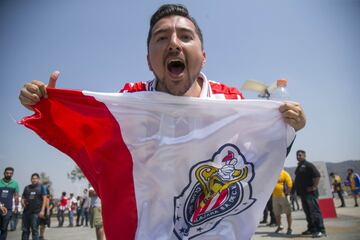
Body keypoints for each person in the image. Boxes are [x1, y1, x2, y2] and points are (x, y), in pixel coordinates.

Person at [18, 4, 307, 238]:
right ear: (148, 60)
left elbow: (259, 157)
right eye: (161, 37)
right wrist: (49, 105)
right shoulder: (130, 101)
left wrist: (288, 124)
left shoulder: (230, 102)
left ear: (203, 56)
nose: (173, 44)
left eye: (185, 36)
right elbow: (89, 136)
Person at [294, 150, 326, 238]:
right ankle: (312, 229)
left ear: (304, 156)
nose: (298, 156)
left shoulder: (308, 165)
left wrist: (314, 187)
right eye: (297, 155)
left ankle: (321, 230)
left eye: (300, 155)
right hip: (303, 194)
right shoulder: (299, 166)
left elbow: (317, 175)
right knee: (308, 212)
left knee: (315, 212)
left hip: (310, 193)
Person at [21, 173, 47, 240]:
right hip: (26, 212)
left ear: (38, 179)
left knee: (35, 230)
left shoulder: (41, 187)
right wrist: (22, 202)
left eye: (36, 178)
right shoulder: (27, 188)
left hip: (36, 212)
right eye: (33, 178)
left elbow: (44, 199)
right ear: (31, 179)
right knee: (25, 230)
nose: (34, 180)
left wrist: (42, 210)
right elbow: (23, 197)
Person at [0, 167, 20, 240]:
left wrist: (16, 207)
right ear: (4, 173)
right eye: (7, 173)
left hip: (8, 209)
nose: (9, 174)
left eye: (10, 173)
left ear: (12, 174)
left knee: (4, 228)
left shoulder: (15, 184)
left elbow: (16, 196)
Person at [272, 169, 293, 235]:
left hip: (283, 195)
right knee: (276, 213)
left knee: (288, 213)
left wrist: (287, 193)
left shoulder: (284, 173)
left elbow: (290, 184)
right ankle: (280, 226)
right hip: (274, 196)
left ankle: (289, 228)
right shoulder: (272, 173)